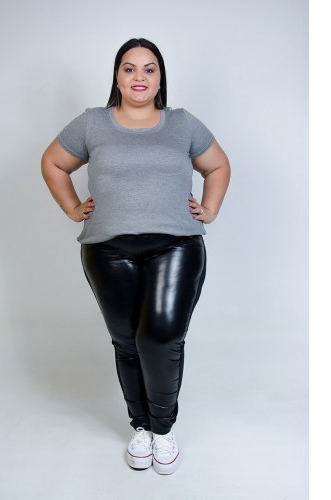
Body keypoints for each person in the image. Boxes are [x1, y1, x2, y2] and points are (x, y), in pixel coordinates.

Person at [41, 38, 230, 475]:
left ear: (160, 78)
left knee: (160, 336)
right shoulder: (92, 123)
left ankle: (163, 430)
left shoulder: (182, 124)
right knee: (126, 341)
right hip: (108, 250)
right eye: (129, 68)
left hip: (176, 245)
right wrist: (72, 207)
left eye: (149, 69)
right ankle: (141, 427)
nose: (139, 77)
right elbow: (53, 163)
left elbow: (217, 166)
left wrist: (210, 208)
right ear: (117, 76)